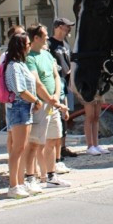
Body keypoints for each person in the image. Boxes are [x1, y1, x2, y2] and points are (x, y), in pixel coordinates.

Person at [24, 24, 71, 190]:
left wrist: (56, 97)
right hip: (40, 105)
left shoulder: (48, 55)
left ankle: (51, 176)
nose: (47, 37)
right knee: (35, 142)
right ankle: (30, 177)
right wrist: (51, 100)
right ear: (36, 38)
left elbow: (56, 76)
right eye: (44, 35)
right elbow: (37, 83)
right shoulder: (29, 57)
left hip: (52, 104)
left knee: (53, 139)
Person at [3, 32, 42, 198]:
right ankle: (13, 185)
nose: (29, 46)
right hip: (19, 107)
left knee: (21, 147)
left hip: (24, 108)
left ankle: (19, 182)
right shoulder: (13, 66)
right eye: (27, 44)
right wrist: (36, 100)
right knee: (17, 148)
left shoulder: (20, 64)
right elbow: (20, 90)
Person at [48, 16, 76, 166]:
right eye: (66, 26)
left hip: (65, 82)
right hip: (54, 84)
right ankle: (55, 149)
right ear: (58, 27)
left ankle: (63, 147)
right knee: (56, 116)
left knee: (65, 115)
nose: (69, 29)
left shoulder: (65, 44)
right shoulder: (50, 44)